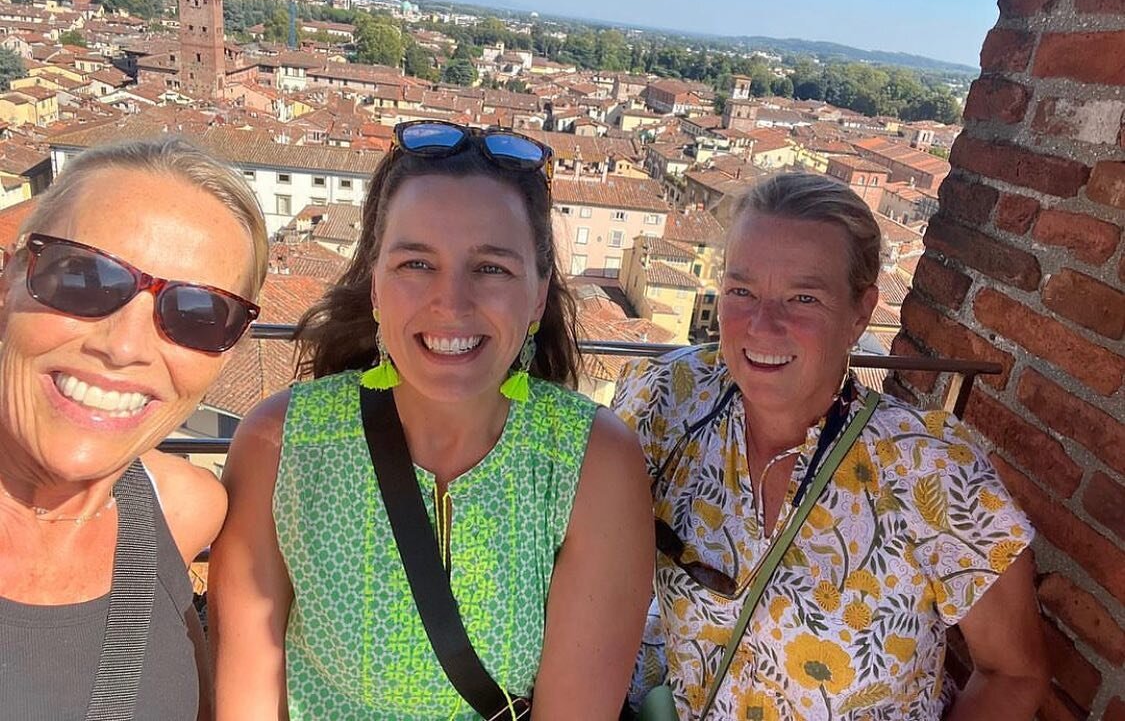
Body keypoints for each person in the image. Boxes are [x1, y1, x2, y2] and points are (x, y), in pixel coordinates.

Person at [210, 121, 654, 720]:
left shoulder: (593, 464)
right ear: (375, 284)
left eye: (492, 268)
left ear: (539, 295)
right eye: (417, 263)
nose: (451, 303)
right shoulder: (280, 446)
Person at [613, 172, 1049, 720]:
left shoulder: (932, 468)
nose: (763, 326)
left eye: (803, 298)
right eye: (741, 291)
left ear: (860, 312)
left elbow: (1014, 672)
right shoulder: (668, 402)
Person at [0, 137, 268, 720]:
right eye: (83, 278)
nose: (124, 347)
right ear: (12, 276)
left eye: (197, 313)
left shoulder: (183, 511)